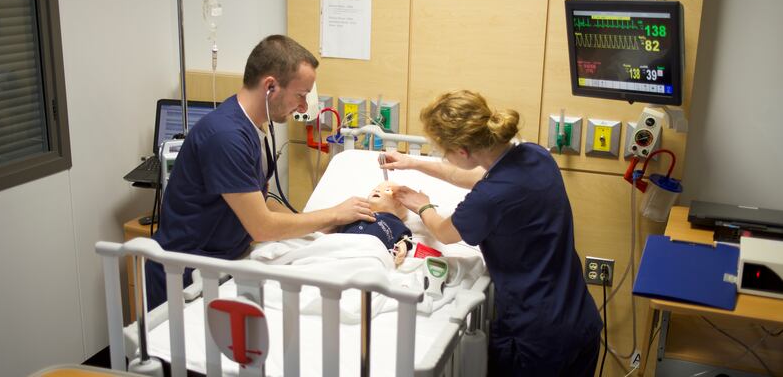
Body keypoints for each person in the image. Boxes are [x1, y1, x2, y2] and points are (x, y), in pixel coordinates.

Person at [380, 90, 602, 377]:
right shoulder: (534, 154)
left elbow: (445, 233)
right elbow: (472, 175)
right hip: (580, 320)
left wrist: (423, 206)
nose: (443, 157)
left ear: (462, 151)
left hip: (536, 339)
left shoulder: (488, 198)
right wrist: (414, 163)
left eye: (443, 151)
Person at [145, 35, 375, 310]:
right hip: (183, 274)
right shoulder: (226, 136)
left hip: (218, 264)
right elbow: (262, 226)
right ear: (270, 87)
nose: (304, 107)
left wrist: (313, 229)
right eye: (300, 95)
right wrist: (334, 214)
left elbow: (259, 199)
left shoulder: (256, 126)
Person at [338, 181, 414, 265]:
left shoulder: (396, 223)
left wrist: (402, 248)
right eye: (375, 189)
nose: (377, 190)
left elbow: (403, 239)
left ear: (399, 203)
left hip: (369, 255)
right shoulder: (355, 211)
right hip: (341, 246)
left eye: (387, 190)